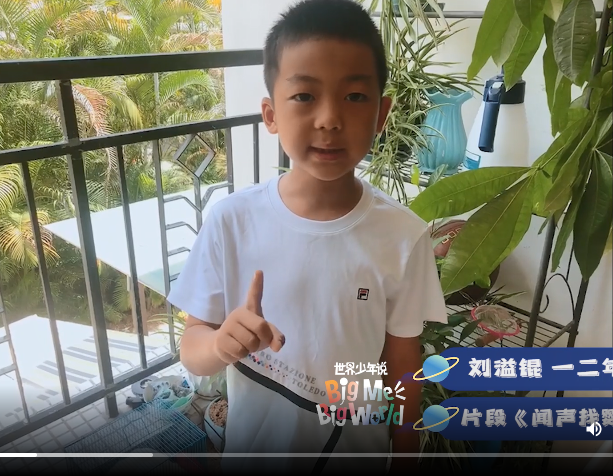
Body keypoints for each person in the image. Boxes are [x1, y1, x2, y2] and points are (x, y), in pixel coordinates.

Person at [168, 0, 447, 473]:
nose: (329, 118)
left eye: (354, 96)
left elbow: (403, 364)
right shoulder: (231, 222)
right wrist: (218, 345)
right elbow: (193, 347)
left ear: (381, 113)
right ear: (270, 113)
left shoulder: (403, 237)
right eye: (304, 96)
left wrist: (405, 457)